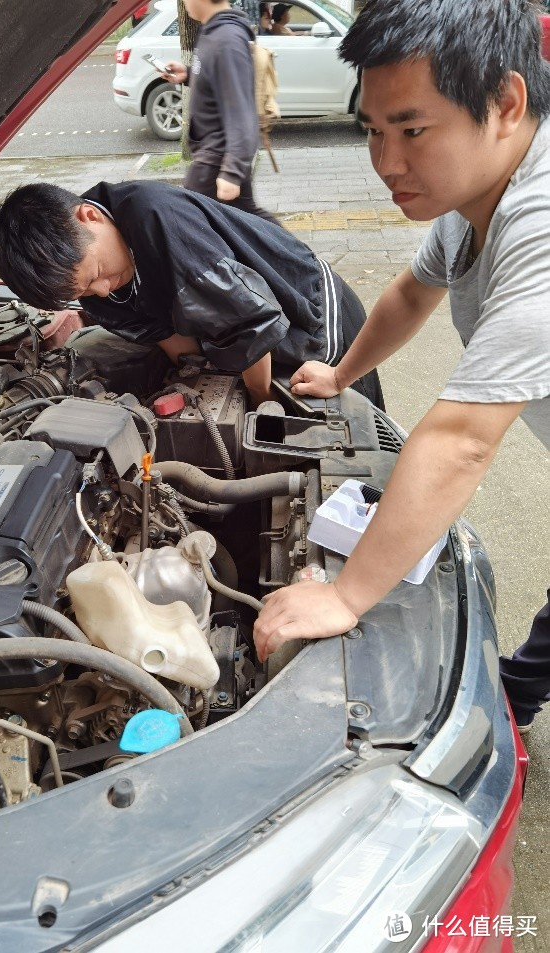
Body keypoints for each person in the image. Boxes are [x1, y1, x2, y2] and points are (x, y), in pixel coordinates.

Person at [253, 0, 550, 735]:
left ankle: (513, 697)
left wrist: (347, 595)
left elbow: (461, 441)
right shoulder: (478, 190)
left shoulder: (541, 227)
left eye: (413, 130)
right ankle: (518, 693)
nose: (387, 163)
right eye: (375, 132)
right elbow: (413, 291)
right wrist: (342, 373)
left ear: (506, 103)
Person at [0, 180, 383, 409]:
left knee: (342, 420)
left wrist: (261, 401)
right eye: (84, 290)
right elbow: (159, 327)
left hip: (309, 311)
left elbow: (249, 325)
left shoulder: (157, 218)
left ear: (90, 216)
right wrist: (189, 376)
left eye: (98, 274)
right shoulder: (79, 262)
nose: (101, 290)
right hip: (245, 328)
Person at [163, 0, 276, 221]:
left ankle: (296, 256)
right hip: (216, 155)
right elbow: (217, 78)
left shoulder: (226, 39)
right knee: (252, 225)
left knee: (191, 225)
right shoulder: (213, 31)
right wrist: (187, 74)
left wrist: (232, 172)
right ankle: (296, 255)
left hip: (215, 158)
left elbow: (241, 109)